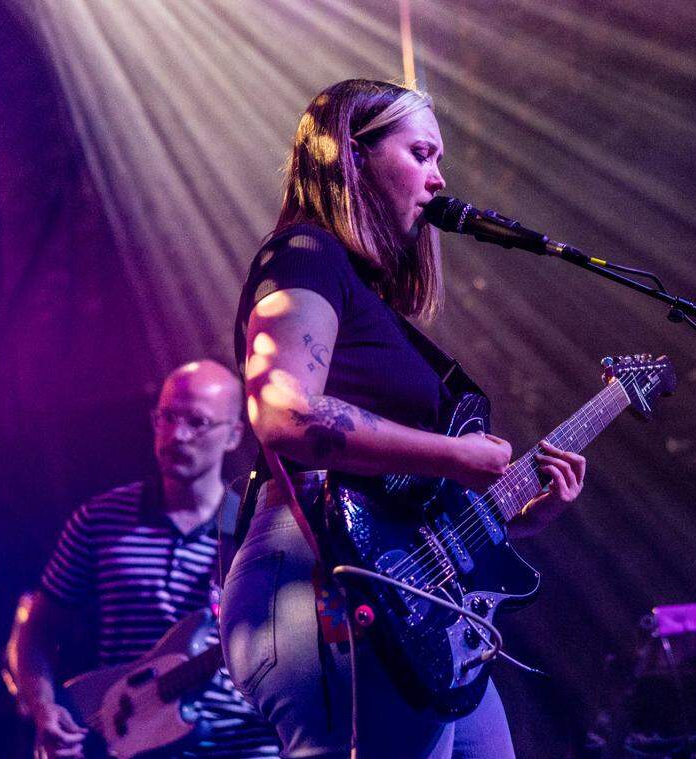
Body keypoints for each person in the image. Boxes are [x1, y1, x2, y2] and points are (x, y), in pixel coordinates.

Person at [220, 79, 588, 758]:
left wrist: (517, 517)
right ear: (349, 155)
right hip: (313, 573)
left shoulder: (368, 297)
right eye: (420, 152)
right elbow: (285, 412)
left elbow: (396, 498)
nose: (438, 176)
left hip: (400, 594)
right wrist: (452, 456)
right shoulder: (303, 255)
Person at [8, 360, 280, 758]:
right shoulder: (99, 521)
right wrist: (44, 707)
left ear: (234, 435)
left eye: (197, 422)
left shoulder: (255, 531)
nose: (176, 435)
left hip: (240, 746)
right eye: (166, 417)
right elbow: (36, 634)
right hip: (125, 743)